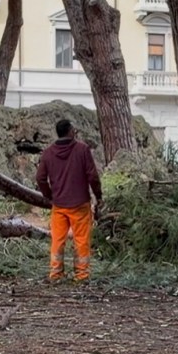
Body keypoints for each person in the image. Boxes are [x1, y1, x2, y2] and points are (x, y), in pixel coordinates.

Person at [35, 119, 103, 282]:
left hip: (58, 204)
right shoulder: (82, 150)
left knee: (57, 241)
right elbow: (92, 176)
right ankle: (81, 275)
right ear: (71, 131)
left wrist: (49, 195)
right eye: (74, 129)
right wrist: (98, 196)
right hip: (80, 203)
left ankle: (56, 274)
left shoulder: (48, 153)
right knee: (81, 241)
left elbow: (40, 178)